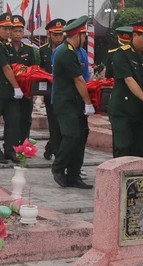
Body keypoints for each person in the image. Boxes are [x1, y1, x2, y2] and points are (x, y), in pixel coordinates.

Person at [51, 15, 94, 189]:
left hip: (74, 102)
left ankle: (74, 174)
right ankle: (59, 168)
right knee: (71, 135)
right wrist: (88, 102)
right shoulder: (66, 53)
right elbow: (78, 80)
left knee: (81, 136)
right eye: (84, 36)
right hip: (66, 101)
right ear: (78, 35)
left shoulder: (70, 51)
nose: (85, 39)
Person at [108, 20, 143, 159]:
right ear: (135, 35)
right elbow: (129, 80)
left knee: (141, 149)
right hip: (123, 110)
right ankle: (118, 180)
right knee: (123, 147)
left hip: (141, 111)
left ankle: (138, 180)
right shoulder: (122, 54)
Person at [0, 12, 24, 164]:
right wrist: (17, 87)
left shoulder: (5, 45)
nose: (8, 32)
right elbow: (6, 68)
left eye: (9, 29)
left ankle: (11, 150)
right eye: (5, 29)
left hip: (8, 93)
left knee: (13, 122)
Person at [39, 18, 66, 160]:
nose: (58, 37)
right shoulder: (43, 50)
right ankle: (54, 147)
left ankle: (52, 146)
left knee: (61, 123)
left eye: (60, 34)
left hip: (64, 90)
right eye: (55, 34)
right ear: (49, 34)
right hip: (49, 92)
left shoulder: (66, 49)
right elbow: (40, 69)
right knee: (53, 121)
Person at [9, 15, 37, 142]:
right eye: (15, 31)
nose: (18, 34)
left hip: (25, 90)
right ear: (10, 31)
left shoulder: (29, 49)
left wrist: (33, 91)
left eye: (20, 31)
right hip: (9, 89)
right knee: (13, 118)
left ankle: (24, 144)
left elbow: (33, 70)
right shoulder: (5, 47)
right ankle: (13, 144)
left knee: (26, 118)